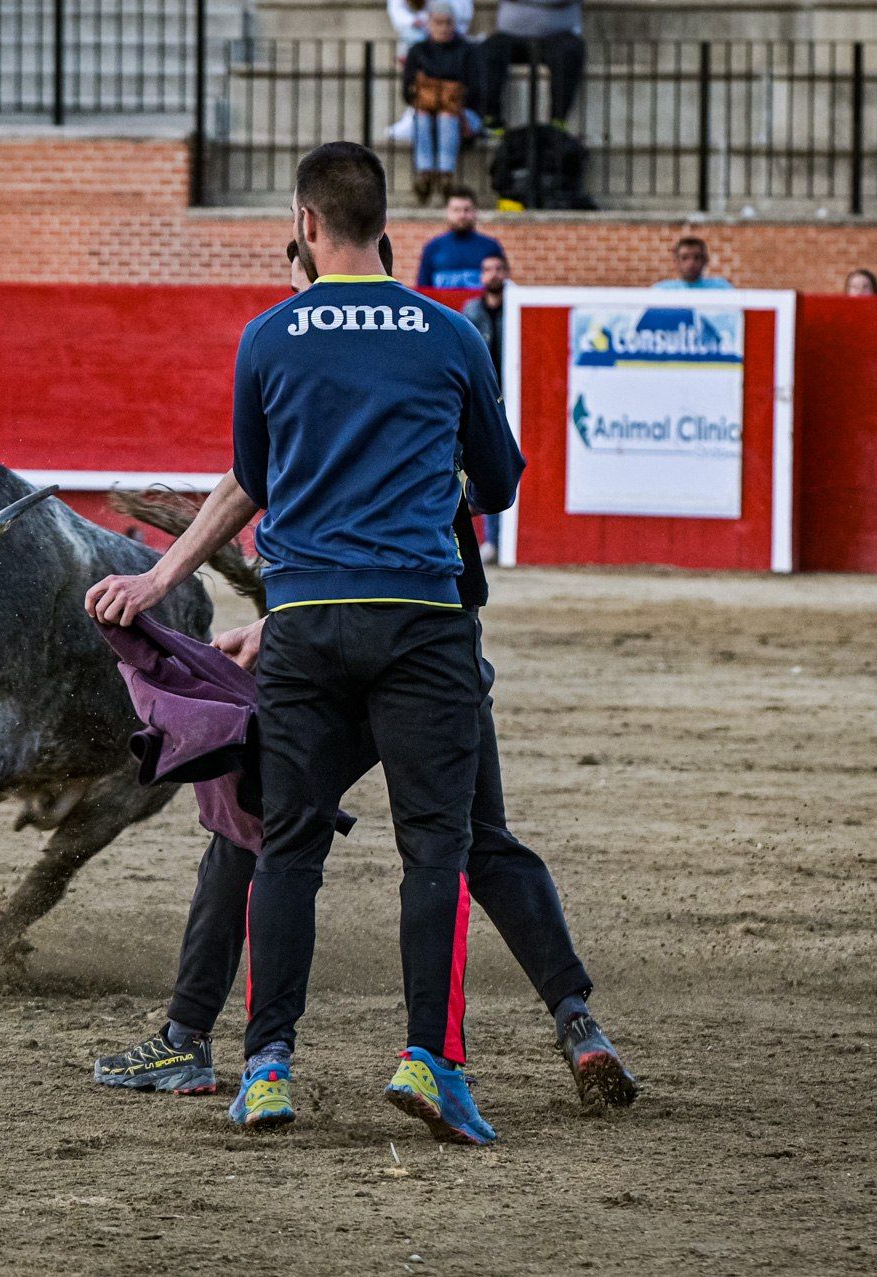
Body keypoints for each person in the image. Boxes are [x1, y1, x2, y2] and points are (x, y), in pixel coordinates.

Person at [94, 234, 634, 1116]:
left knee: (260, 829)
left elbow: (260, 484)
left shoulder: (287, 339)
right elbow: (464, 489)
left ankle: (205, 1042)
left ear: (313, 251)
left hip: (325, 635)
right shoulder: (437, 343)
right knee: (473, 839)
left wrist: (177, 583)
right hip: (430, 631)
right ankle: (579, 1025)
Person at [474, 0, 587, 137]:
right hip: (511, 35)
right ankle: (491, 119)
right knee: (487, 52)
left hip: (559, 35)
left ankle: (557, 123)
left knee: (570, 53)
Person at [401, 6, 479, 204]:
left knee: (446, 117)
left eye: (448, 23)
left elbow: (477, 91)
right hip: (426, 114)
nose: (443, 28)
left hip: (462, 114)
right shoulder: (418, 51)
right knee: (423, 116)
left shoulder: (467, 50)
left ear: (455, 24)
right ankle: (425, 174)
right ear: (429, 23)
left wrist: (449, 101)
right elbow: (407, 92)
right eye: (438, 22)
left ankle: (445, 175)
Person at [460, 252, 509, 561]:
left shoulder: (514, 309)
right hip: (483, 400)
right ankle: (491, 540)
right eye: (487, 268)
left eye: (498, 268)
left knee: (496, 468)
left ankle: (498, 540)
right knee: (486, 468)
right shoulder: (471, 311)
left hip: (509, 400)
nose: (493, 274)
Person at [416, 186, 504, 288]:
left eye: (466, 210)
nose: (462, 215)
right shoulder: (433, 248)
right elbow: (422, 290)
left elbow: (501, 288)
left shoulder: (491, 247)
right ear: (448, 212)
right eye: (456, 210)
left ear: (475, 212)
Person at [654, 236, 732, 289]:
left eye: (697, 258)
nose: (691, 263)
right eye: (684, 258)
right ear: (676, 262)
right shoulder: (663, 290)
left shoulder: (721, 288)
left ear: (705, 260)